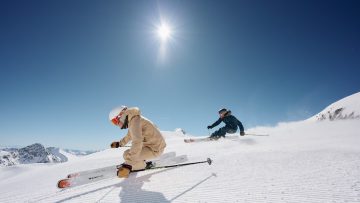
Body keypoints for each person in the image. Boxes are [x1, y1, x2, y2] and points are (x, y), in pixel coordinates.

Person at [109, 106, 166, 178]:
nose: (117, 124)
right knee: (128, 154)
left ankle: (142, 165)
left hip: (155, 149)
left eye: (115, 121)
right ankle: (141, 162)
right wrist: (119, 143)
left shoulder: (134, 121)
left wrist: (128, 165)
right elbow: (129, 135)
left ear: (121, 115)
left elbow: (137, 141)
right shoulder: (134, 119)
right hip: (153, 146)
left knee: (127, 154)